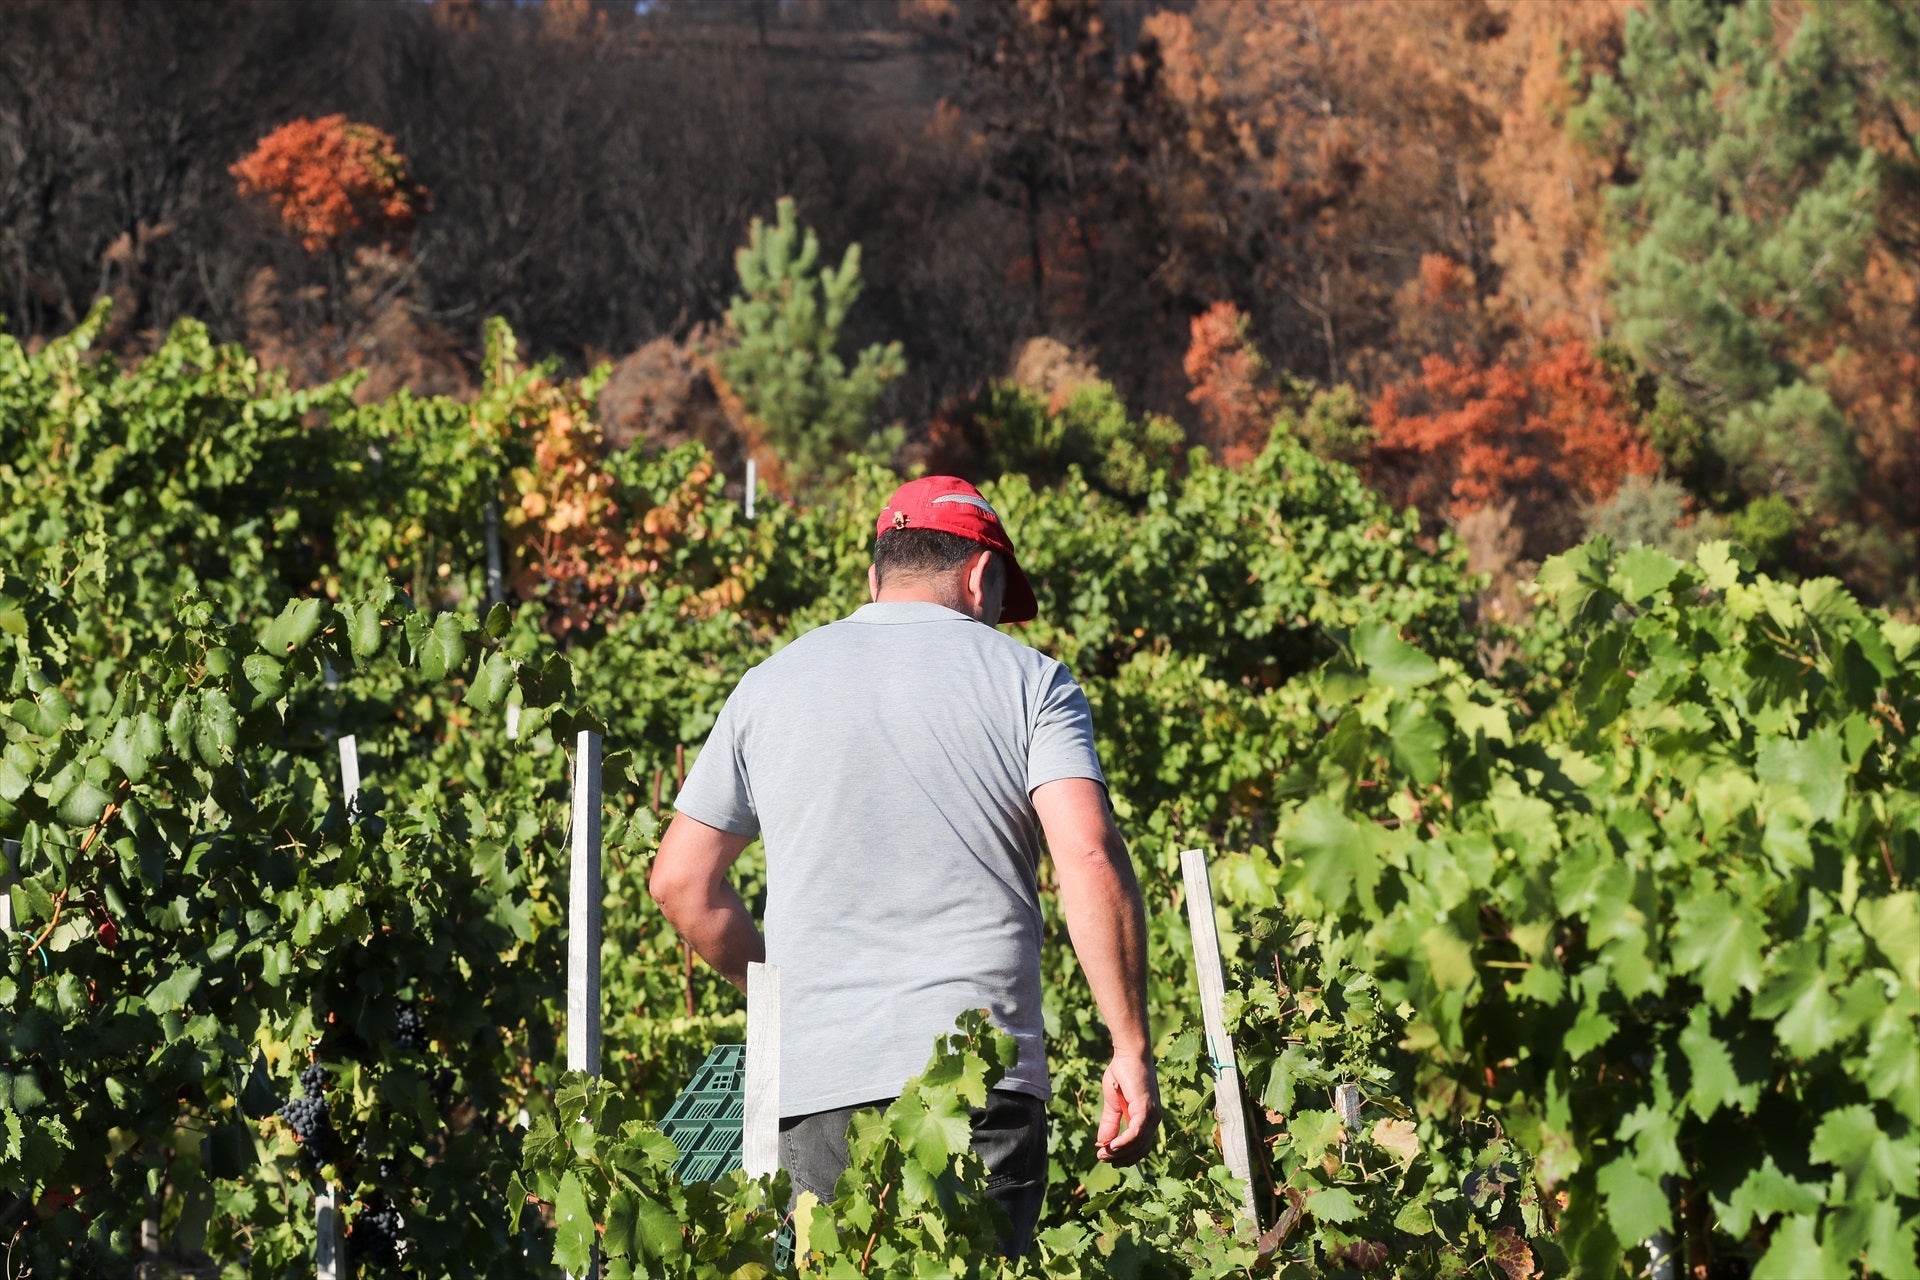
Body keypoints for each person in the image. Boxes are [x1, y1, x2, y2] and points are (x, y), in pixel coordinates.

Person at [648, 475, 1158, 1256]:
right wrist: (1129, 1047)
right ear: (981, 576)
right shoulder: (1032, 682)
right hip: (977, 1084)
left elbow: (681, 882)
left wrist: (787, 998)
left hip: (816, 1087)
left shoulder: (770, 686)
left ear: (875, 576)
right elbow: (1087, 853)